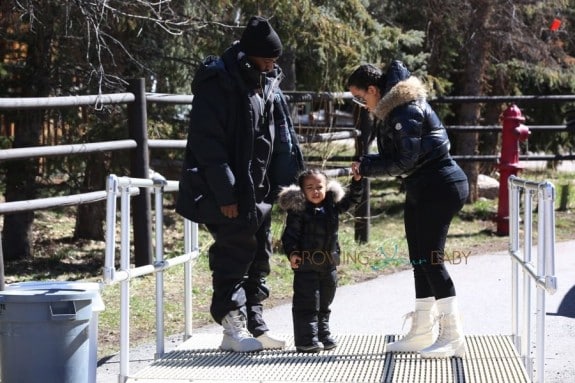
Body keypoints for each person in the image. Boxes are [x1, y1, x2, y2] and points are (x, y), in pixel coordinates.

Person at [176, 15, 301, 353]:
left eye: (275, 58)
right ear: (249, 54)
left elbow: (274, 136)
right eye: (268, 57)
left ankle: (255, 323)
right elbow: (208, 145)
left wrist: (283, 182)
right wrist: (226, 192)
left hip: (257, 187)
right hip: (227, 190)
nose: (273, 63)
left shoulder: (264, 79)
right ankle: (231, 324)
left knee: (259, 252)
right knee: (234, 251)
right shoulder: (218, 83)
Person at [346, 60, 469, 358]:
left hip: (440, 186)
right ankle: (422, 330)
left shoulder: (405, 110)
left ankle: (452, 335)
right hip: (421, 187)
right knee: (419, 259)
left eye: (360, 97)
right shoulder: (393, 110)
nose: (361, 104)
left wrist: (367, 165)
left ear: (374, 90)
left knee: (431, 259)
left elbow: (405, 160)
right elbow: (398, 156)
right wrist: (367, 163)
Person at [277, 167, 363, 353]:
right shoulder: (298, 210)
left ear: (326, 188)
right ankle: (306, 340)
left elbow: (351, 201)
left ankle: (323, 334)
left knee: (324, 302)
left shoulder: (332, 205)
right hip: (306, 265)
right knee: (307, 302)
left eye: (319, 186)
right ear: (302, 190)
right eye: (310, 187)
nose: (316, 191)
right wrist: (293, 253)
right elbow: (289, 236)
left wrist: (356, 182)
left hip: (328, 264)